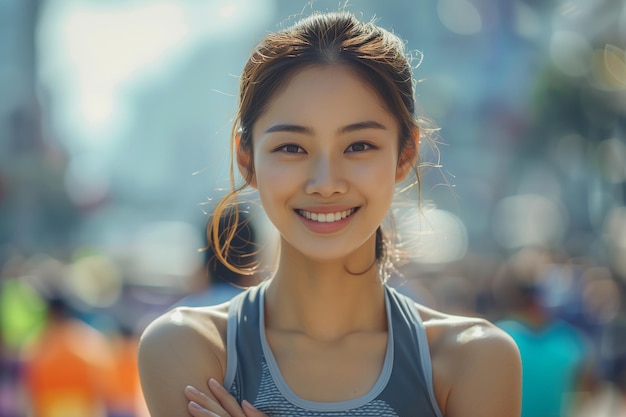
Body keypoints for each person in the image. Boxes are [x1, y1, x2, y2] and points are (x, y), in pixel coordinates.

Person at [138, 11, 522, 417]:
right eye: (291, 147)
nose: (325, 182)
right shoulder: (186, 347)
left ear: (405, 153)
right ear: (246, 159)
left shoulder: (474, 358)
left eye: (358, 146)